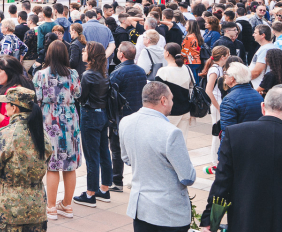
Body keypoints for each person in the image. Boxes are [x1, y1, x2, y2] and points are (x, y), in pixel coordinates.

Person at [201, 85, 282, 232]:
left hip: (245, 227)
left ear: (263, 107)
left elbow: (222, 183)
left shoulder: (235, 134)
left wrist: (210, 221)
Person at [119, 80, 196, 232]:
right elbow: (187, 177)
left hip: (141, 204)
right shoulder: (171, 132)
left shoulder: (125, 122)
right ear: (163, 100)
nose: (172, 103)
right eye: (171, 99)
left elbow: (126, 158)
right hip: (169, 208)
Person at [0, 86, 51, 232]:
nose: (5, 107)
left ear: (14, 107)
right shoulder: (41, 133)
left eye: (7, 103)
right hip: (36, 206)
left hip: (9, 209)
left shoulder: (6, 134)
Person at [33, 40, 81, 219]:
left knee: (52, 165)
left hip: (49, 119)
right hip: (69, 120)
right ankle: (67, 205)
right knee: (70, 166)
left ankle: (51, 207)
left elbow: (36, 98)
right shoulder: (73, 74)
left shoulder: (41, 75)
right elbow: (77, 94)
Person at [74, 42, 111, 207]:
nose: (83, 52)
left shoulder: (88, 75)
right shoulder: (103, 73)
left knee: (92, 156)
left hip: (90, 115)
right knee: (104, 152)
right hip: (102, 114)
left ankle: (90, 194)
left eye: (85, 50)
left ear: (91, 55)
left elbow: (82, 98)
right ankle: (104, 189)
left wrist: (75, 94)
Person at [108, 41, 147, 193]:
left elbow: (111, 97)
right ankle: (137, 179)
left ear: (121, 54)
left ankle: (117, 181)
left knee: (117, 149)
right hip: (137, 115)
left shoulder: (117, 73)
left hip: (121, 117)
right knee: (136, 149)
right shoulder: (141, 71)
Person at [154, 43, 195, 141]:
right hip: (185, 110)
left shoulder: (163, 71)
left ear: (167, 53)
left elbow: (157, 93)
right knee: (182, 141)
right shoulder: (187, 69)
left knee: (166, 141)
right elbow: (192, 87)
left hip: (169, 113)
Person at [202, 45, 230, 164]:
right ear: (223, 57)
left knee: (219, 131)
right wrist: (218, 107)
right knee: (217, 132)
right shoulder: (215, 70)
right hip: (217, 103)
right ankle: (215, 160)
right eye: (228, 55)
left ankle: (217, 158)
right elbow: (209, 90)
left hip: (219, 102)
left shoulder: (218, 68)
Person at [219, 62, 264, 134]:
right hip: (256, 139)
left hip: (240, 140)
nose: (225, 75)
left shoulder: (229, 100)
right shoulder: (257, 95)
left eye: (226, 74)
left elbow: (227, 131)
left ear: (232, 79)